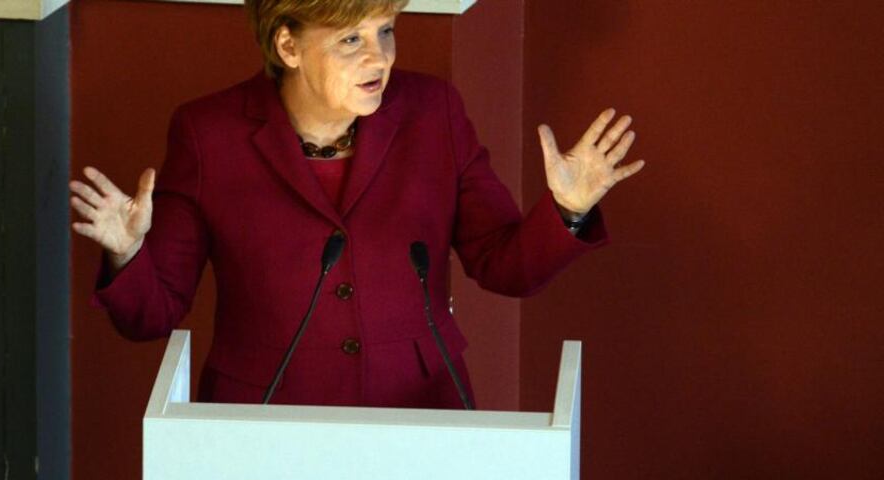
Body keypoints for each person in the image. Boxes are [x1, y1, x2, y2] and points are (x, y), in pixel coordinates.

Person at [69, 0, 644, 409]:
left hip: (418, 410)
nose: (380, 58)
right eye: (351, 40)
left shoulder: (432, 112)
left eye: (386, 31)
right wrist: (128, 253)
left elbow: (504, 264)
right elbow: (153, 314)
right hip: (264, 420)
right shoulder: (208, 133)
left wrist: (567, 209)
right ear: (288, 45)